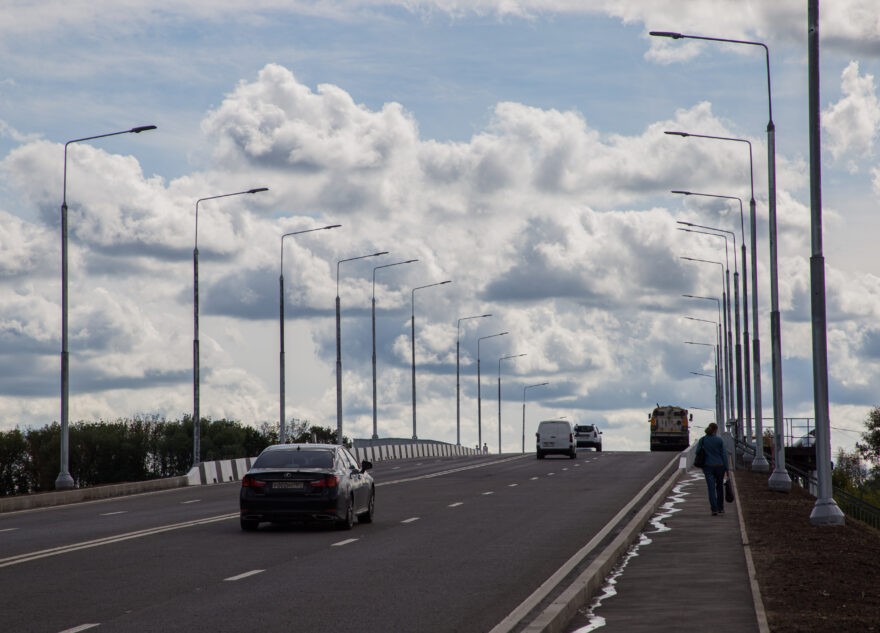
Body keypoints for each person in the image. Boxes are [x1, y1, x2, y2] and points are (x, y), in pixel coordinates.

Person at [698, 422, 728, 516]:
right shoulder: (719, 440)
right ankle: (721, 508)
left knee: (711, 489)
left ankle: (714, 509)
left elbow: (698, 452)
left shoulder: (702, 440)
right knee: (719, 487)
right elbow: (724, 455)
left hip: (708, 466)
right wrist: (727, 468)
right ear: (716, 430)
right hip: (720, 466)